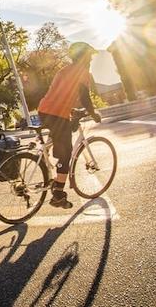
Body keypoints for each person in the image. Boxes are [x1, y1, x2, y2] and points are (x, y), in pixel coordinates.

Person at [37, 41, 102, 209]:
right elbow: (85, 96)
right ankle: (58, 194)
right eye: (89, 56)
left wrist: (71, 109)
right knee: (65, 155)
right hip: (57, 115)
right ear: (83, 56)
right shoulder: (83, 72)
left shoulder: (64, 70)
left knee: (60, 143)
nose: (91, 60)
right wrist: (94, 114)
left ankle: (53, 173)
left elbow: (58, 94)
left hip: (45, 111)